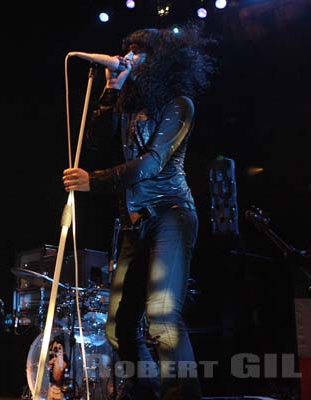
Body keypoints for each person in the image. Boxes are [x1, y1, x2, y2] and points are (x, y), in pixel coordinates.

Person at [62, 25, 214, 399]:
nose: (129, 57)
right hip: (134, 224)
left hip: (170, 215)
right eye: (127, 49)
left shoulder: (179, 105)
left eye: (139, 51)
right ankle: (144, 391)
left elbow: (151, 164)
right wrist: (112, 88)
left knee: (162, 317)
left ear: (160, 61)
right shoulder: (126, 105)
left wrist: (93, 182)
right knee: (118, 327)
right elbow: (95, 144)